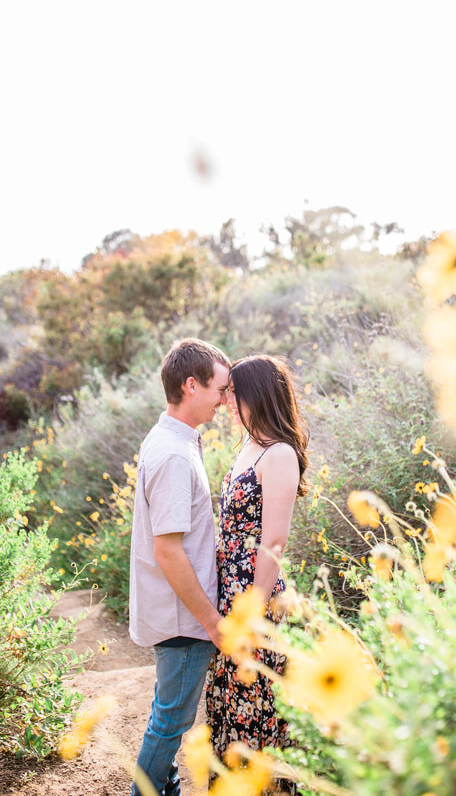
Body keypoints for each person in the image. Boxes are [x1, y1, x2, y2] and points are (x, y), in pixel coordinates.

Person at [129, 338, 230, 796]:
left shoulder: (175, 441)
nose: (225, 401)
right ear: (192, 385)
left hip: (179, 612)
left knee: (168, 718)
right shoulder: (172, 453)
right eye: (220, 390)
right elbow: (168, 551)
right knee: (170, 722)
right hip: (183, 616)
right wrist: (211, 620)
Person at [205, 354, 309, 788]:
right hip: (229, 595)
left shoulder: (280, 453)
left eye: (235, 394)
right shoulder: (249, 446)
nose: (228, 402)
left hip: (257, 598)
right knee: (227, 708)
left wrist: (251, 613)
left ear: (258, 396)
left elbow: (274, 543)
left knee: (257, 712)